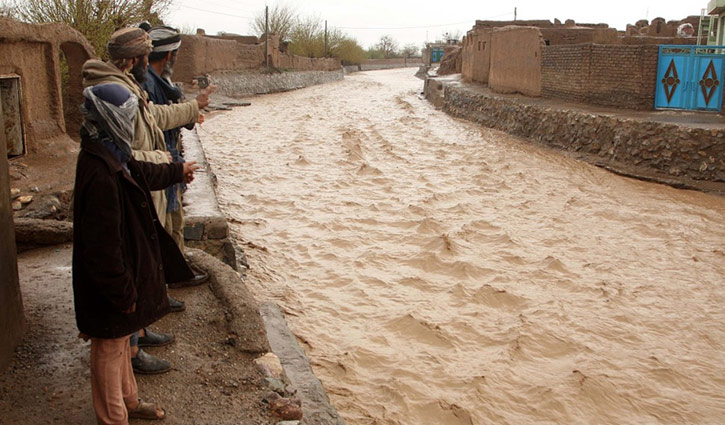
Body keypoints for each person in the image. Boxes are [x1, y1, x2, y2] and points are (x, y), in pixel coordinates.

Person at [81, 27, 208, 374]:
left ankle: (138, 332)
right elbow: (125, 154)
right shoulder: (117, 92)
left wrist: (189, 109)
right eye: (145, 54)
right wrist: (167, 163)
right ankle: (132, 350)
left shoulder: (125, 83)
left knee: (143, 261)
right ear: (137, 58)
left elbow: (151, 122)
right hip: (135, 185)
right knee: (133, 264)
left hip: (143, 181)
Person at [72, 82, 199, 424]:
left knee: (118, 343)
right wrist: (122, 291)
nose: (131, 123)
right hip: (111, 282)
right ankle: (114, 418)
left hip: (120, 276)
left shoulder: (109, 152)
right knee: (109, 347)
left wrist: (177, 171)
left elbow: (141, 172)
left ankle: (129, 403)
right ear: (111, 118)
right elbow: (102, 248)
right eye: (127, 116)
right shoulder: (99, 171)